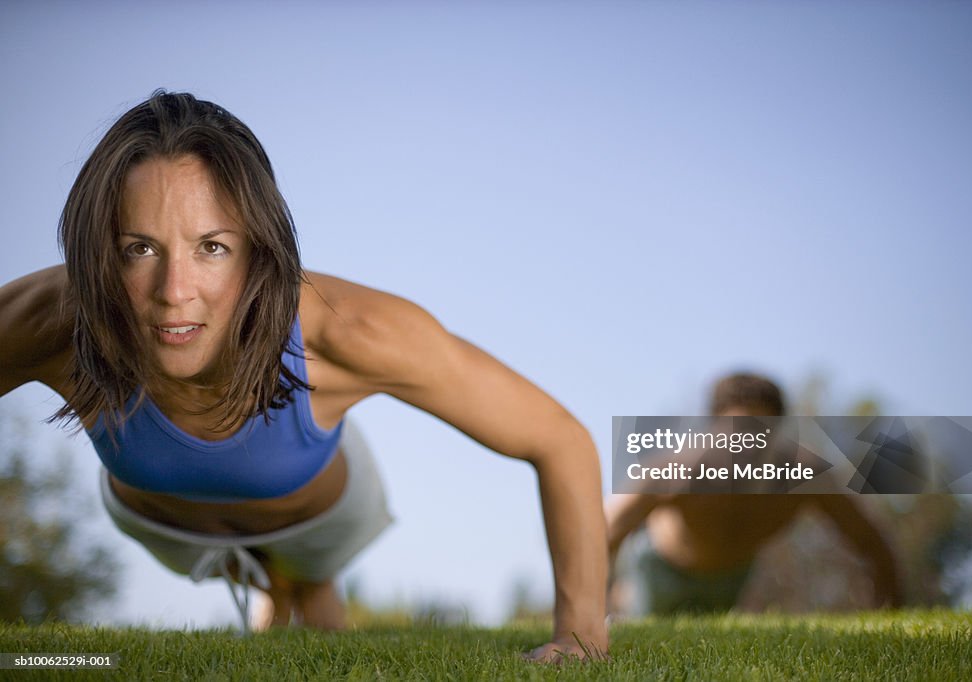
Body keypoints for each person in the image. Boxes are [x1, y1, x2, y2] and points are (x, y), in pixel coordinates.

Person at [0, 91, 606, 661]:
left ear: (258, 249)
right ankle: (275, 585)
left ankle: (300, 581)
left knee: (311, 601)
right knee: (283, 603)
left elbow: (559, 440)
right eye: (140, 249)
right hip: (168, 529)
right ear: (97, 251)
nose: (174, 293)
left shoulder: (349, 332)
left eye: (211, 247)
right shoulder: (48, 321)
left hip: (320, 522)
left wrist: (582, 636)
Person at [605, 372, 903, 615]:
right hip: (662, 569)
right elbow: (603, 533)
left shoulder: (807, 476)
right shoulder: (679, 469)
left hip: (733, 576)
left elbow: (870, 540)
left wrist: (891, 610)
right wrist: (590, 605)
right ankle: (624, 597)